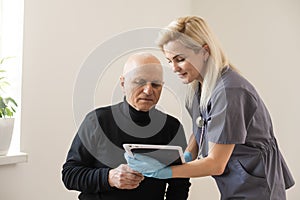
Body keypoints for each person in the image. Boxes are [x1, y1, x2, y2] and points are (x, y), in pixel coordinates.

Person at [125, 16, 295, 200]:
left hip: (256, 187)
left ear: (204, 51)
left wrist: (165, 172)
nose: (174, 68)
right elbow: (203, 126)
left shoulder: (230, 91)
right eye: (169, 60)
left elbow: (216, 164)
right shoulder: (199, 86)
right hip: (235, 182)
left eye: (180, 59)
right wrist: (187, 155)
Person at [62, 52, 191, 200]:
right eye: (140, 82)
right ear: (123, 84)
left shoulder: (172, 127)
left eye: (155, 84)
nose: (148, 90)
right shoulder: (97, 120)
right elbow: (70, 175)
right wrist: (109, 177)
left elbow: (180, 184)